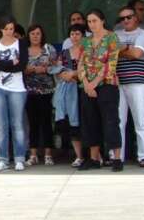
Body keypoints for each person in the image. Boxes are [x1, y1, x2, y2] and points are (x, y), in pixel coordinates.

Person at [79, 9, 123, 171]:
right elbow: (81, 63)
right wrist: (85, 82)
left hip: (106, 85)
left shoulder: (112, 37)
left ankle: (117, 158)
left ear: (102, 21)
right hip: (88, 86)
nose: (92, 24)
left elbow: (111, 64)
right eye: (89, 22)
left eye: (95, 21)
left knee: (111, 121)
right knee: (91, 122)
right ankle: (94, 158)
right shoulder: (86, 41)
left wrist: (94, 83)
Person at [115, 5, 144, 168]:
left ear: (136, 17)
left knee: (141, 120)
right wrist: (127, 50)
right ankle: (117, 156)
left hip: (138, 82)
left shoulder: (143, 34)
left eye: (128, 17)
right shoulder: (115, 34)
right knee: (118, 121)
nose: (125, 20)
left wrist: (120, 49)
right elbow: (109, 54)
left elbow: (137, 54)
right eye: (122, 18)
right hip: (117, 82)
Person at [0, 19, 29, 172]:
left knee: (17, 124)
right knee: (1, 125)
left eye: (11, 28)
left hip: (17, 88)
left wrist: (1, 63)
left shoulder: (21, 44)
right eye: (6, 29)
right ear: (1, 30)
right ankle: (2, 159)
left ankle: (19, 158)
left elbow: (22, 66)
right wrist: (11, 62)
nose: (9, 31)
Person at [51, 24, 84, 167]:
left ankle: (96, 155)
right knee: (72, 124)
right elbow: (56, 68)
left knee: (87, 122)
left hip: (84, 89)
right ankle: (79, 156)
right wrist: (63, 74)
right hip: (68, 92)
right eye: (72, 34)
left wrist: (74, 74)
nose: (74, 37)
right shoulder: (64, 52)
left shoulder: (88, 51)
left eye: (77, 34)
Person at [24, 25, 56, 166]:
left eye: (38, 33)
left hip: (46, 91)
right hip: (29, 92)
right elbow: (19, 68)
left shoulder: (49, 49)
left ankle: (48, 154)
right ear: (28, 35)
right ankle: (33, 154)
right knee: (33, 123)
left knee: (46, 122)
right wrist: (30, 69)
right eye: (33, 33)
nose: (35, 36)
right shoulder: (23, 51)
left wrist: (45, 69)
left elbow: (56, 66)